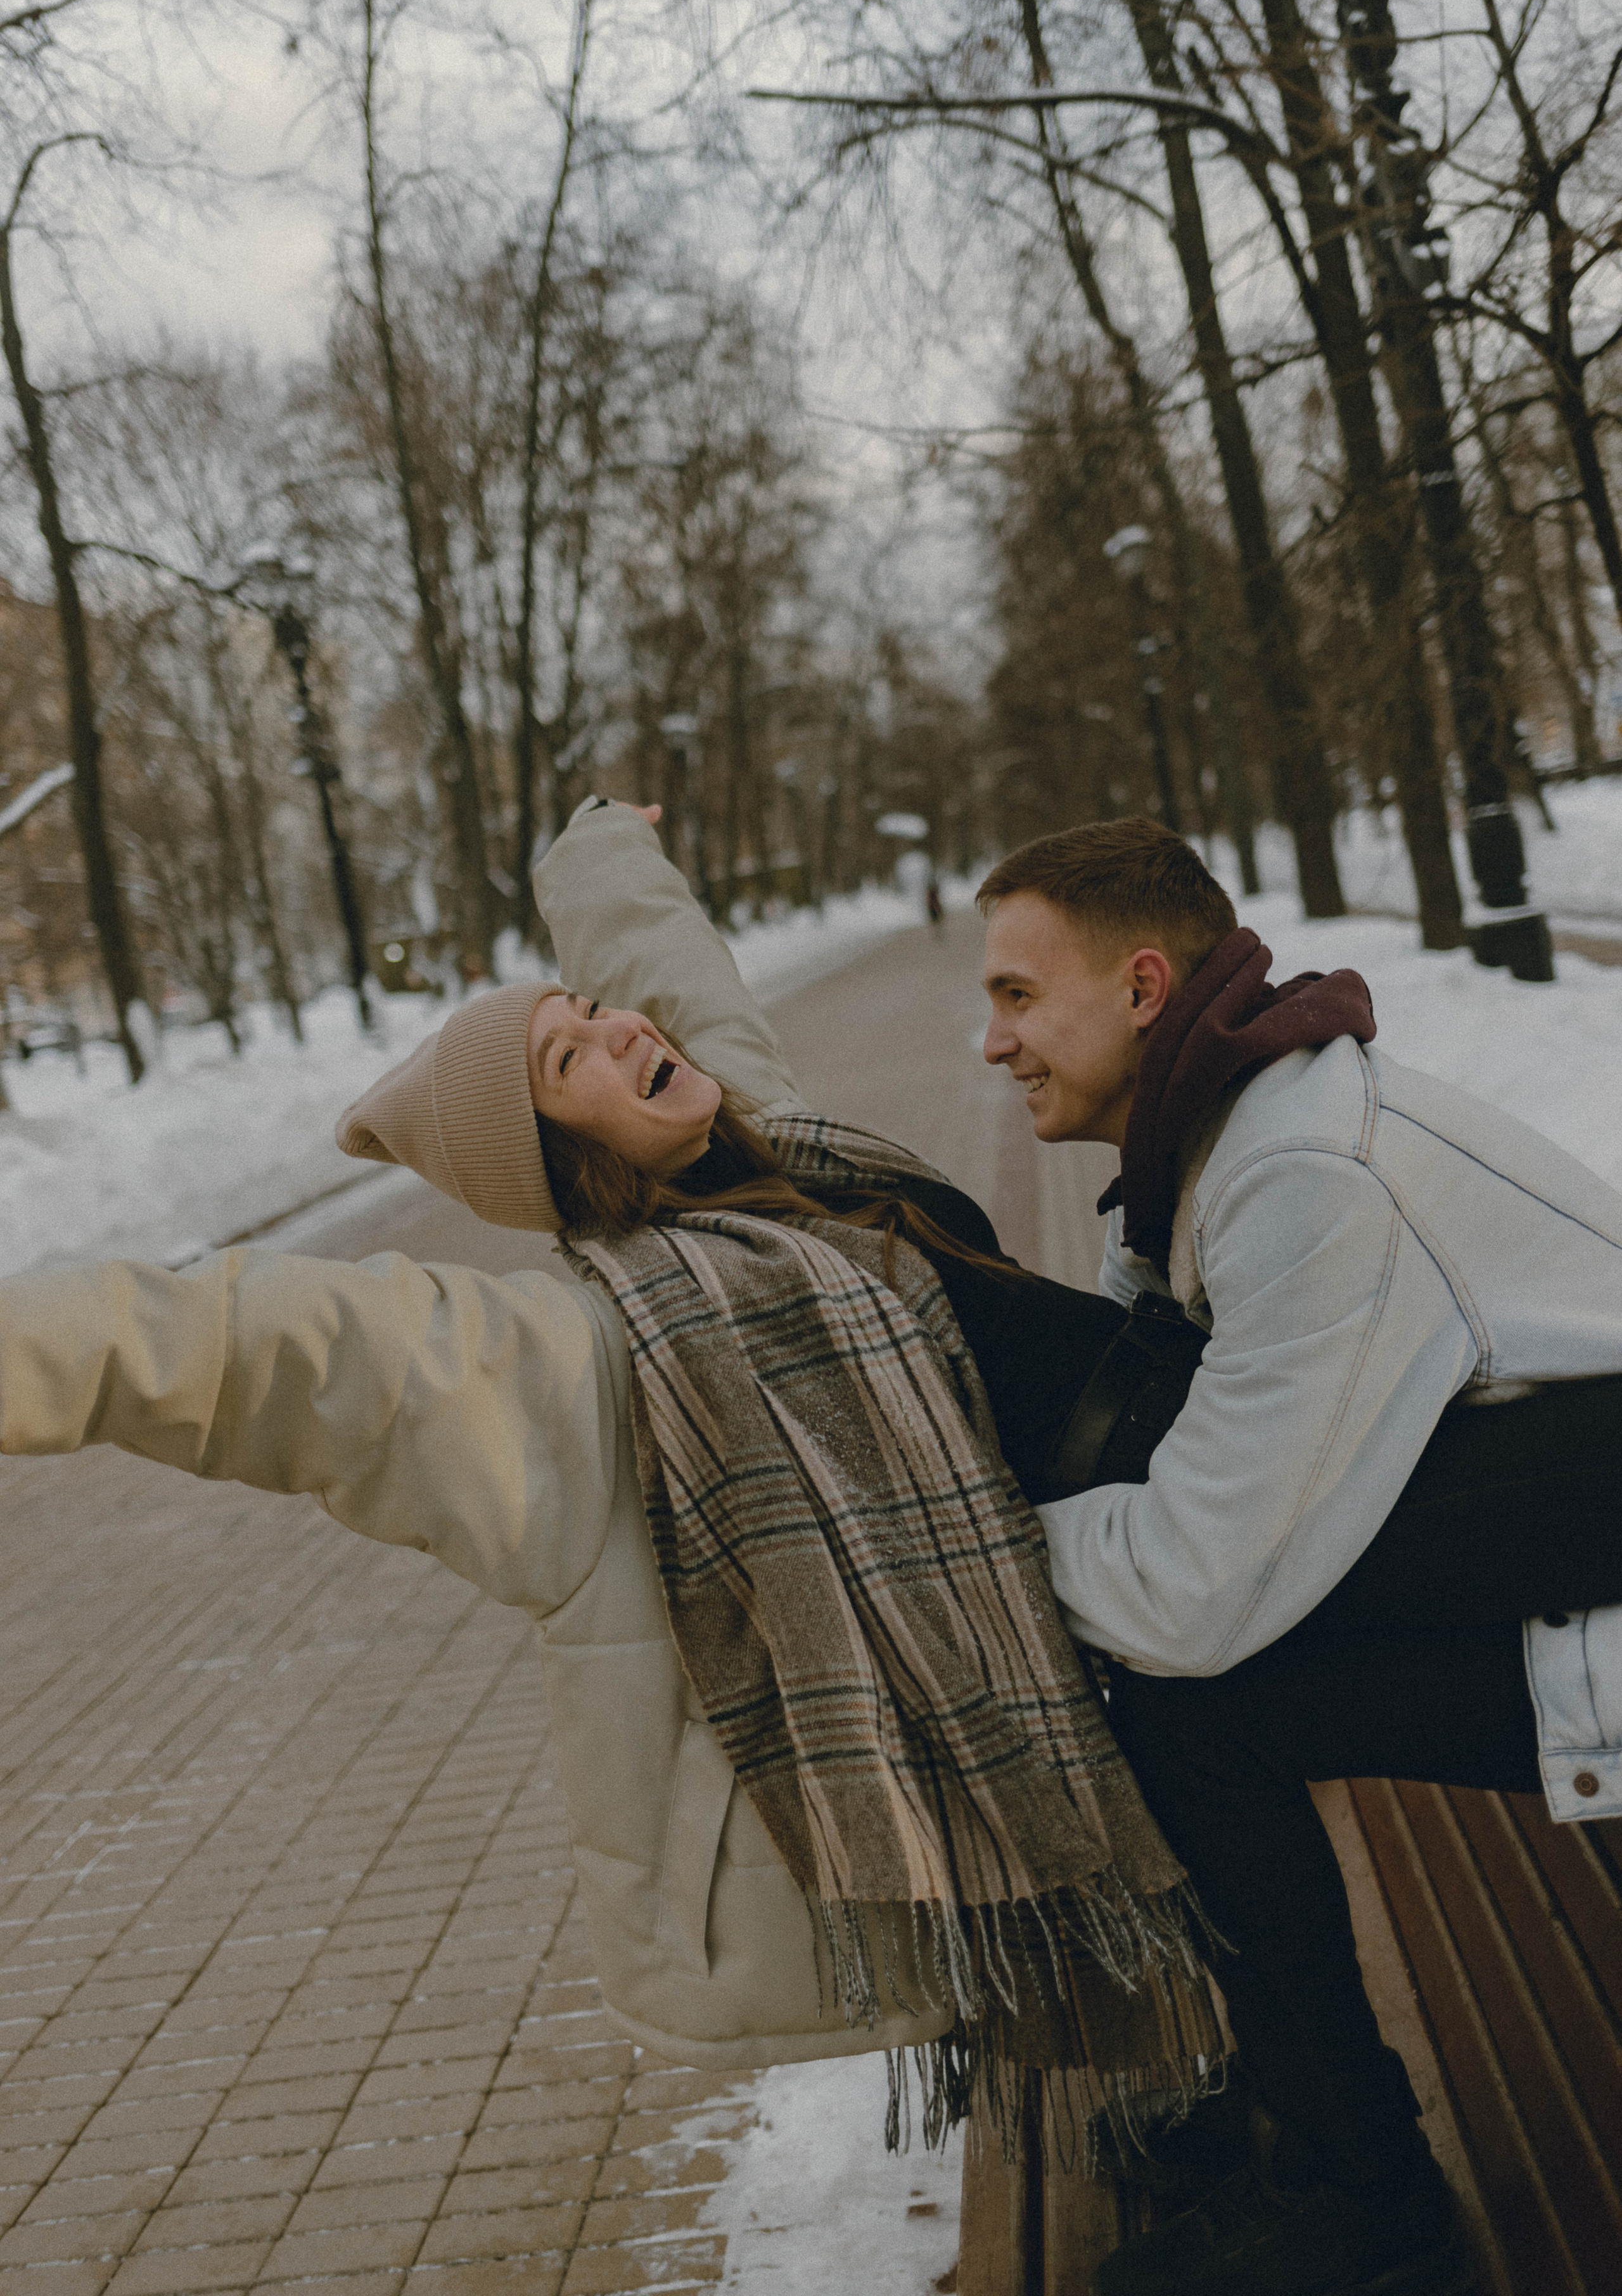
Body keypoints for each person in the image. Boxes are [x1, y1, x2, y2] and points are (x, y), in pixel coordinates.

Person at [0, 798, 1232, 2158]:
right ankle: (1283, 2147)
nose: (623, 1036)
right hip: (1164, 1601)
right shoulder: (588, 1356)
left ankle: (1288, 2138)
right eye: (566, 1060)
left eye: (593, 1014)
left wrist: (598, 852)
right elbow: (259, 1343)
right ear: (551, 1157)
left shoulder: (781, 1160)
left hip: (1198, 1510)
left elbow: (672, 985)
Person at [975, 814, 1622, 2296]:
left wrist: (972, 1562)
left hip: (1586, 1591)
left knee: (1188, 1688)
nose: (988, 1042)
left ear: (1142, 988)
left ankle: (1368, 2200)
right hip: (1548, 1556)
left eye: (1017, 995)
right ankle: (1313, 2107)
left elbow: (1193, 1588)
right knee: (1186, 1691)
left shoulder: (1298, 1175)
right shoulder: (1217, 1147)